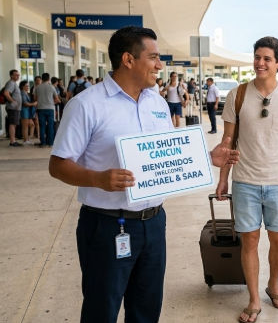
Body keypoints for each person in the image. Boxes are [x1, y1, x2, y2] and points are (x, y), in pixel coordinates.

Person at [49, 26, 240, 323]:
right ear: (128, 59)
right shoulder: (86, 105)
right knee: (102, 308)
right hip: (106, 226)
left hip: (153, 222)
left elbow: (167, 153)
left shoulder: (157, 102)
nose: (160, 65)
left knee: (147, 309)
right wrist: (98, 178)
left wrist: (207, 158)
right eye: (153, 57)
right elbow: (58, 165)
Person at [216, 36, 278, 323]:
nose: (260, 63)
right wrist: (223, 179)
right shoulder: (237, 95)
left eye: (267, 58)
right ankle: (254, 298)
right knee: (249, 241)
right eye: (257, 57)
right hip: (245, 182)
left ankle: (273, 284)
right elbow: (228, 141)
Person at [34, 73, 60, 148]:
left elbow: (35, 99)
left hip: (40, 108)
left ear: (42, 79)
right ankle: (50, 143)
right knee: (50, 126)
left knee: (42, 126)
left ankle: (43, 143)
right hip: (50, 109)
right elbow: (57, 99)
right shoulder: (51, 87)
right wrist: (52, 102)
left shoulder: (38, 87)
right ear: (49, 79)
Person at [3, 69, 23, 147]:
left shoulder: (14, 83)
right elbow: (6, 93)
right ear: (11, 75)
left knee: (14, 124)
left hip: (15, 108)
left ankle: (13, 140)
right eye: (16, 75)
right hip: (12, 108)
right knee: (12, 124)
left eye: (18, 75)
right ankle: (12, 141)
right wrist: (13, 102)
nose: (18, 76)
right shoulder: (11, 83)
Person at [19, 80, 37, 145]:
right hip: (24, 111)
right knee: (25, 126)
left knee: (32, 125)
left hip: (27, 111)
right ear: (22, 86)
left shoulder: (26, 93)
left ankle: (28, 138)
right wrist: (33, 104)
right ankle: (25, 140)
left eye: (28, 86)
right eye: (26, 86)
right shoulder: (22, 93)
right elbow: (24, 103)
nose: (28, 87)